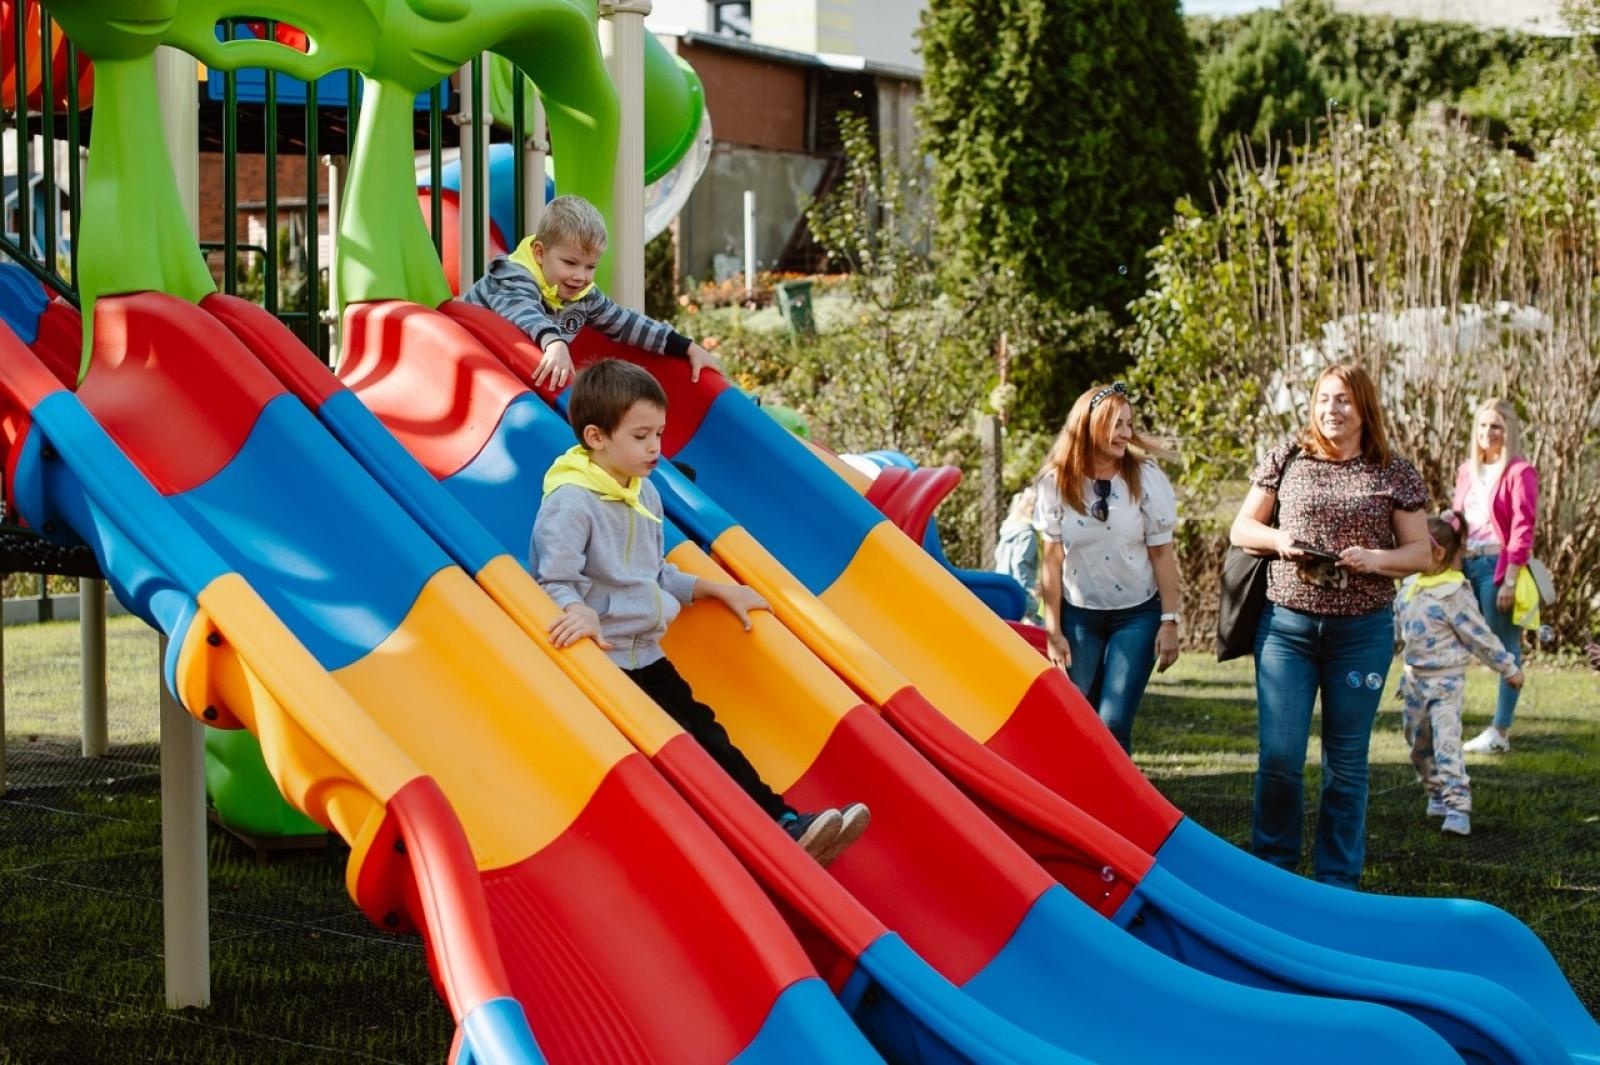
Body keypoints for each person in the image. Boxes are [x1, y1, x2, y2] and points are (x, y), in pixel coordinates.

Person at [531, 359, 869, 864]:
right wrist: (576, 610)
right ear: (596, 437)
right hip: (602, 665)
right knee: (664, 761)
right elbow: (552, 578)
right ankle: (742, 844)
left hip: (645, 652)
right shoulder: (572, 503)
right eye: (641, 435)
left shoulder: (642, 490)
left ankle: (782, 823)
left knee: (706, 735)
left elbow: (653, 572)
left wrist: (714, 589)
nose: (655, 448)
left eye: (659, 434)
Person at [1229, 363, 1430, 887]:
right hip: (1286, 631)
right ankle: (1275, 871)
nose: (1331, 410)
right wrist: (1280, 541)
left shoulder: (1394, 471)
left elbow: (1421, 554)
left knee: (1346, 763)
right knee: (1279, 758)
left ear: (1364, 407)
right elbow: (1241, 527)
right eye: (1323, 399)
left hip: (1360, 635)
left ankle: (1338, 881)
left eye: (1343, 400)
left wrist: (1374, 559)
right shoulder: (1287, 459)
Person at [1035, 382, 1181, 752]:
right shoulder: (1057, 482)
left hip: (1136, 615)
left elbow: (1163, 555)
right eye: (1117, 424)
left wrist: (1170, 622)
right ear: (1090, 425)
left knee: (1113, 721)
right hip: (1080, 616)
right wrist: (1053, 629)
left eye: (1129, 424)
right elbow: (1052, 559)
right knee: (1079, 720)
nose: (1126, 434)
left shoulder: (1144, 478)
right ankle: (1079, 806)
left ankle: (1118, 810)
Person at [463, 195, 723, 390]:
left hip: (510, 375)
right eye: (570, 263)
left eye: (590, 267)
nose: (581, 276)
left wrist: (685, 347)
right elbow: (523, 312)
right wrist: (554, 342)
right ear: (540, 253)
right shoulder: (511, 276)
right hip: (465, 359)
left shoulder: (584, 295)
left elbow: (625, 322)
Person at [1395, 511, 1524, 838]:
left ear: (1437, 554)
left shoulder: (1455, 592)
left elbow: (1479, 635)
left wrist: (1508, 667)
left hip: (1446, 682)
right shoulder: (1409, 587)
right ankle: (1435, 791)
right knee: (1416, 743)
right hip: (1413, 681)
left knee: (1447, 744)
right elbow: (1395, 629)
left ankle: (1458, 806)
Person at [1451, 399, 1538, 756]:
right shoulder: (1466, 471)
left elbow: (1523, 526)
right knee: (1453, 639)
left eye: (1496, 427)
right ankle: (1443, 716)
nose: (1488, 433)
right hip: (1463, 566)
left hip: (1496, 568)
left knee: (1504, 648)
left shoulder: (1519, 472)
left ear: (1509, 431)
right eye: (1483, 426)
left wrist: (1512, 578)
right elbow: (1459, 519)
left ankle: (1500, 731)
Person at [994, 485, 1041, 624]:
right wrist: (1028, 591)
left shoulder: (1008, 531)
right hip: (1020, 593)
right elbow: (1020, 563)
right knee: (1039, 624)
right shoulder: (1027, 534)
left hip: (1002, 590)